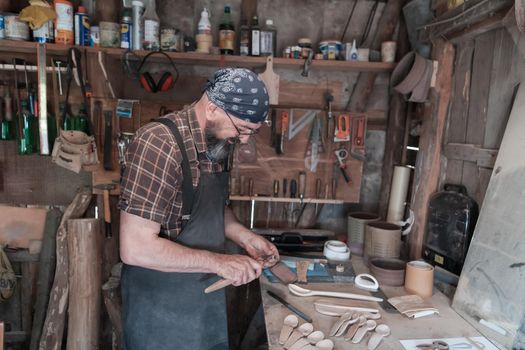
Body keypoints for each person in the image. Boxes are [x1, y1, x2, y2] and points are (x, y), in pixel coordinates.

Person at [118, 68, 279, 350]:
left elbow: (215, 209)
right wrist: (219, 262)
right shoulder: (158, 144)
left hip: (203, 306)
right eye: (242, 129)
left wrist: (245, 237)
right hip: (160, 315)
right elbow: (135, 247)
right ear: (214, 107)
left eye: (251, 133)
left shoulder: (218, 142)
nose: (243, 140)